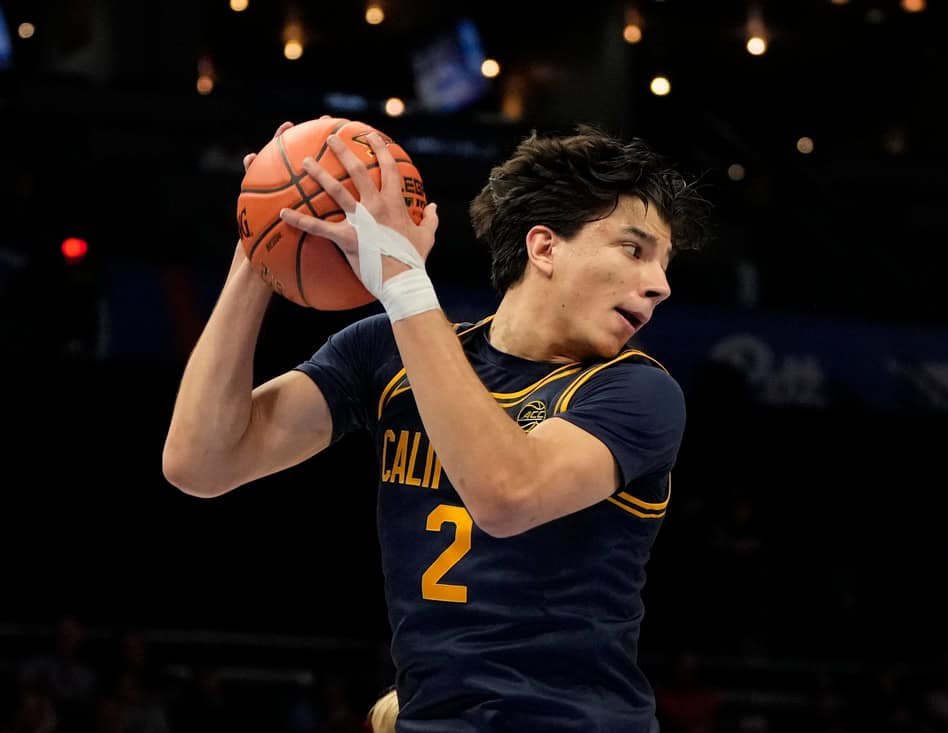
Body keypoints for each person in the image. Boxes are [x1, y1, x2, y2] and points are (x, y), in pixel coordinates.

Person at [162, 119, 712, 731]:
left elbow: (506, 494)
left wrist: (403, 282)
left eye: (665, 263)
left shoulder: (636, 391)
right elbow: (200, 463)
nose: (659, 285)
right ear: (544, 246)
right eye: (634, 249)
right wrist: (258, 246)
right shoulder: (386, 354)